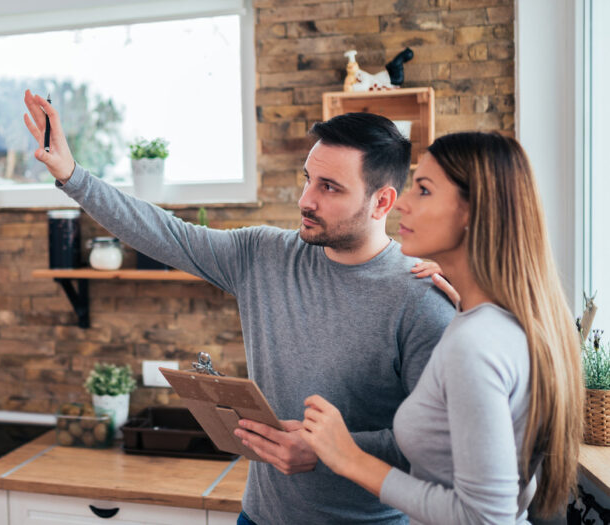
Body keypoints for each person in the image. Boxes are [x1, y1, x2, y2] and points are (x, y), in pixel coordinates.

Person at [23, 90, 455, 524]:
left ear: (382, 201)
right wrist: (72, 175)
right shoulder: (263, 254)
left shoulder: (421, 298)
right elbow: (163, 232)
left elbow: (437, 443)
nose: (306, 199)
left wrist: (328, 451)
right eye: (307, 179)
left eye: (329, 188)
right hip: (258, 517)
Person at [300, 132, 583, 524]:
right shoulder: (502, 323)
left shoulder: (476, 344)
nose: (403, 202)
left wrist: (349, 458)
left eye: (424, 190)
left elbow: (485, 517)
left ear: (472, 211)